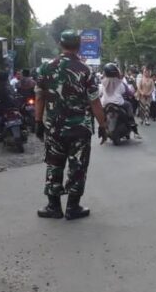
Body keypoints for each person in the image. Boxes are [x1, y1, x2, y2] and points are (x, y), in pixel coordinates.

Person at [35, 30, 107, 220]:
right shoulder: (86, 70)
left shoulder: (45, 68)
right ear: (79, 46)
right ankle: (73, 207)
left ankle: (53, 207)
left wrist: (37, 122)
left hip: (54, 127)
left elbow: (39, 97)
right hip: (79, 129)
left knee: (54, 164)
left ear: (60, 44)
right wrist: (103, 125)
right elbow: (95, 101)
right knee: (78, 167)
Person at [100, 63, 141, 139]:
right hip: (118, 103)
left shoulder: (103, 82)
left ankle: (103, 129)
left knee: (101, 116)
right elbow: (124, 91)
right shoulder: (119, 82)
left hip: (105, 103)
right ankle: (132, 123)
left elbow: (100, 93)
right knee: (129, 105)